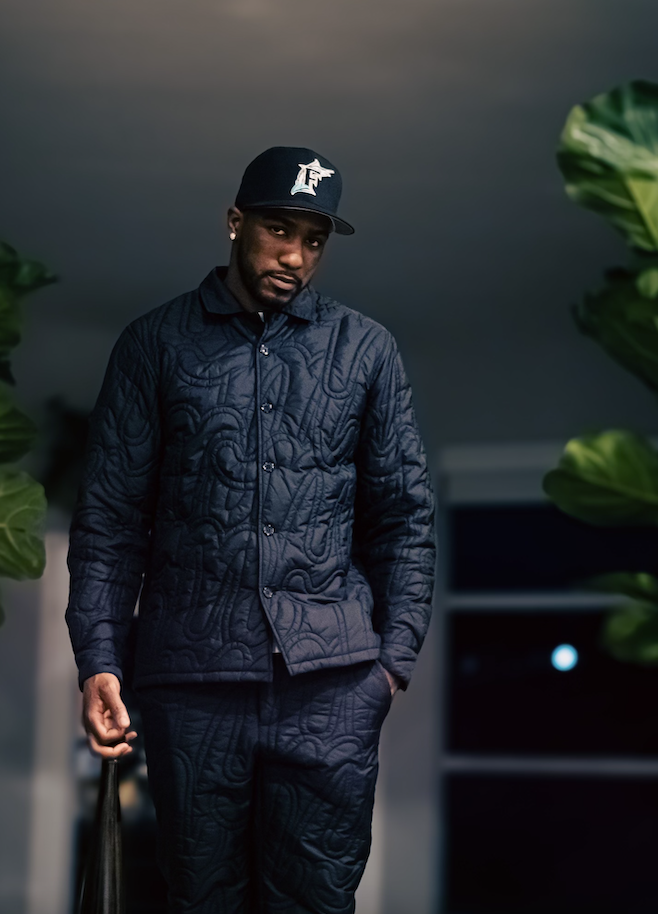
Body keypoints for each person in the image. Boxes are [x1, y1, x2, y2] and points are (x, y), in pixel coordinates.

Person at [66, 145, 436, 913]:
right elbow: (109, 519)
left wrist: (391, 665)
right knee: (202, 898)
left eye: (314, 240)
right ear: (236, 223)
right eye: (279, 231)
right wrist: (98, 659)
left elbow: (404, 516)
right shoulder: (154, 344)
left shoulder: (366, 349)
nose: (295, 256)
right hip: (190, 683)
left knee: (316, 901)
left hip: (333, 688)